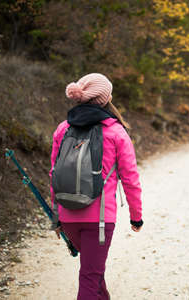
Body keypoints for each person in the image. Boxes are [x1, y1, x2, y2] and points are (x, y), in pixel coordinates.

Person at [49, 73, 143, 300]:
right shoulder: (116, 131)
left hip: (68, 215)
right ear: (106, 97)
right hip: (99, 221)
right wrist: (136, 216)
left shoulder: (63, 128)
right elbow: (130, 179)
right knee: (91, 276)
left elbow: (54, 173)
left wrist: (56, 215)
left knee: (94, 271)